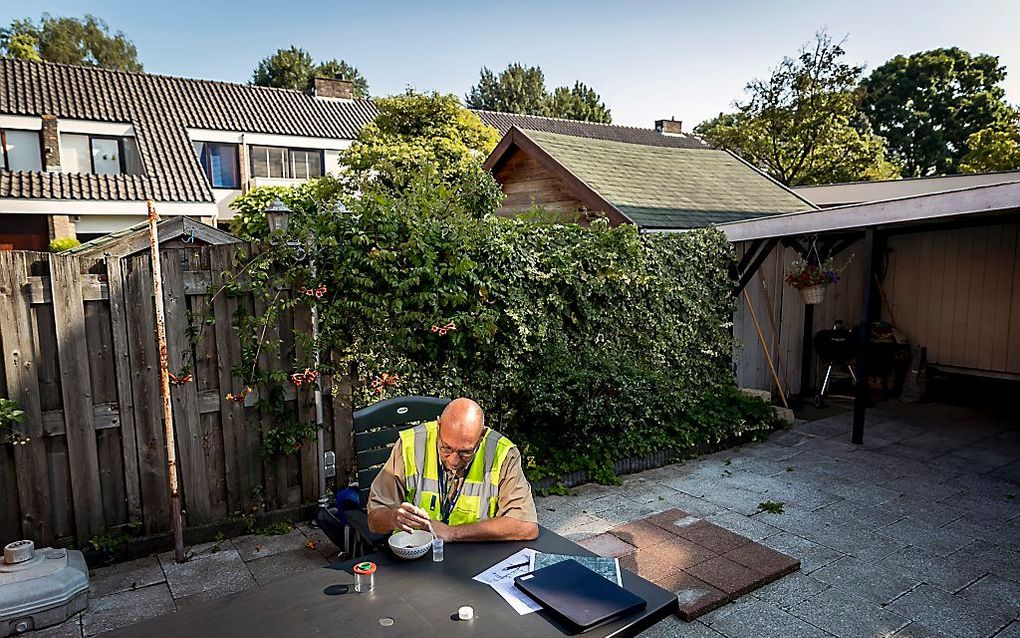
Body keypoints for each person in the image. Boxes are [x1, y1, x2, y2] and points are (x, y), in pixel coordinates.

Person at [367, 397, 539, 541]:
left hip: (476, 556)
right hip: (415, 555)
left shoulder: (502, 454)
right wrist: (393, 518)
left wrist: (451, 532)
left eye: (465, 452)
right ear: (439, 426)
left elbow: (526, 526)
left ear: (481, 436)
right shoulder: (410, 445)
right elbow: (374, 520)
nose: (454, 460)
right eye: (446, 448)